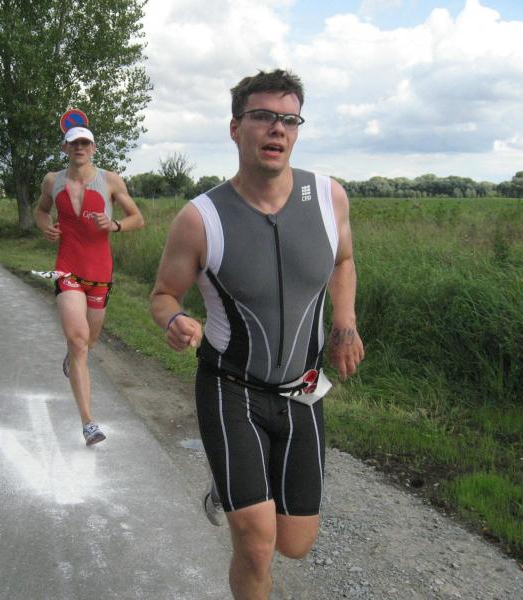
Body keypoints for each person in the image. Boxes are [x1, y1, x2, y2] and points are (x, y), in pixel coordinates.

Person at [149, 69, 364, 599]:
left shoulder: (329, 198)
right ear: (235, 128)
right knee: (256, 543)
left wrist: (345, 322)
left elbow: (344, 261)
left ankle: (232, 490)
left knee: (295, 542)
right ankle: (239, 499)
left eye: (289, 119)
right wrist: (175, 321)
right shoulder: (201, 218)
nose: (277, 128)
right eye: (263, 116)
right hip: (231, 388)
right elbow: (163, 295)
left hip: (301, 391)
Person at [35, 124, 144, 446]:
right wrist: (45, 227)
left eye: (85, 143)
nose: (79, 148)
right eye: (74, 143)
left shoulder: (110, 181)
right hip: (67, 269)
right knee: (78, 341)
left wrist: (115, 224)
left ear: (93, 148)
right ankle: (88, 423)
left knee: (89, 341)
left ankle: (73, 357)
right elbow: (41, 211)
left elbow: (137, 218)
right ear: (65, 148)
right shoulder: (52, 181)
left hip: (100, 274)